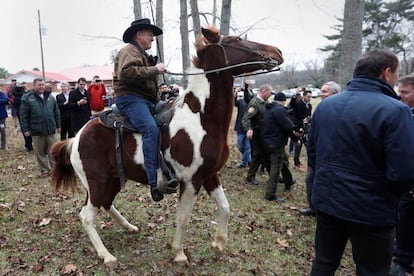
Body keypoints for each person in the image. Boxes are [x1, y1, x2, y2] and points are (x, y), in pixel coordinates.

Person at [308, 49, 414, 275]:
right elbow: (403, 173)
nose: (396, 80)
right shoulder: (397, 111)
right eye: (396, 74)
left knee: (323, 264)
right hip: (371, 209)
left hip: (328, 200)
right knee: (371, 271)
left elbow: (313, 155)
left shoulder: (326, 105)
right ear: (386, 73)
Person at [113, 18, 178, 202]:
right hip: (131, 99)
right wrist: (155, 70)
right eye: (149, 33)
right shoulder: (129, 50)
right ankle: (154, 181)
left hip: (147, 101)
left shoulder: (140, 52)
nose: (152, 37)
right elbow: (126, 73)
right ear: (139, 34)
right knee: (150, 128)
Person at [300, 81, 341, 216]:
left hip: (332, 155)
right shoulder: (321, 107)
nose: (321, 94)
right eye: (321, 91)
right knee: (310, 180)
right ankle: (313, 208)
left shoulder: (341, 109)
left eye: (324, 92)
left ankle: (326, 211)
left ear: (334, 93)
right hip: (316, 153)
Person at [389, 73, 414, 275]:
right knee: (404, 220)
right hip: (404, 179)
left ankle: (404, 262)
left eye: (405, 92)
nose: (400, 95)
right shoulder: (404, 111)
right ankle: (402, 256)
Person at [261, 92, 300, 202]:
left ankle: (288, 181)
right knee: (276, 167)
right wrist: (296, 137)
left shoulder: (268, 109)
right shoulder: (280, 110)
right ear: (283, 101)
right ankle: (270, 194)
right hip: (276, 142)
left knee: (282, 161)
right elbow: (287, 126)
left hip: (267, 141)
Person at [20, 78, 61, 177]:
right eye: (39, 85)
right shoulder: (28, 98)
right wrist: (25, 129)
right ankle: (44, 170)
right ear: (34, 86)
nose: (41, 86)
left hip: (50, 129)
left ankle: (54, 169)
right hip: (36, 130)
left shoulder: (50, 97)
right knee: (40, 152)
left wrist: (58, 125)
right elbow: (23, 115)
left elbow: (56, 112)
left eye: (42, 84)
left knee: (53, 151)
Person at [242, 84, 273, 185]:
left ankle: (251, 177)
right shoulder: (255, 103)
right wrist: (248, 129)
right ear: (263, 91)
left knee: (259, 156)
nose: (270, 94)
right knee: (263, 155)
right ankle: (273, 176)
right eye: (269, 92)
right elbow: (246, 118)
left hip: (264, 133)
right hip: (258, 134)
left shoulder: (265, 102)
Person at [291, 89, 312, 171]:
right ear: (304, 96)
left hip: (306, 128)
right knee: (298, 147)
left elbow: (309, 115)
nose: (309, 98)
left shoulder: (309, 105)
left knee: (308, 146)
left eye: (310, 97)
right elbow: (292, 104)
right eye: (308, 97)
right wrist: (295, 94)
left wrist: (308, 120)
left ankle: (309, 164)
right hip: (297, 127)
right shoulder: (299, 103)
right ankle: (296, 163)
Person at [234, 88, 251, 168]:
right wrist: (235, 92)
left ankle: (243, 163)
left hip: (249, 128)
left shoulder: (253, 103)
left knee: (247, 147)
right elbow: (233, 102)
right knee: (240, 146)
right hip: (240, 127)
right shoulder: (241, 102)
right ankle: (249, 159)